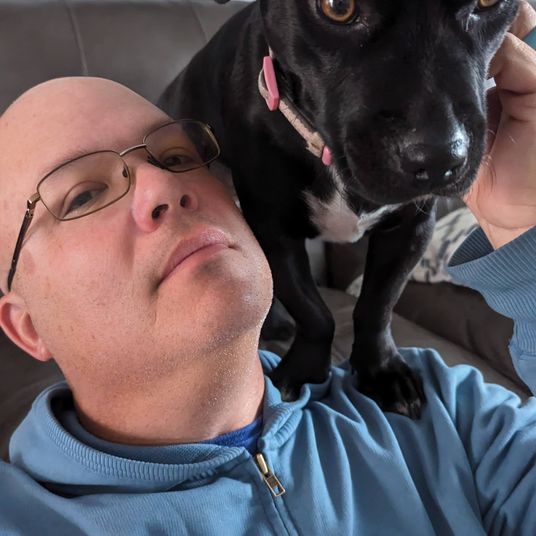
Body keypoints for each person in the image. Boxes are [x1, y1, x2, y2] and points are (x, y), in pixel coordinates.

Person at [0, 1, 535, 533]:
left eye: (177, 157)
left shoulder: (451, 414)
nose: (165, 186)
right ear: (26, 326)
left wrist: (524, 225)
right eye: (83, 195)